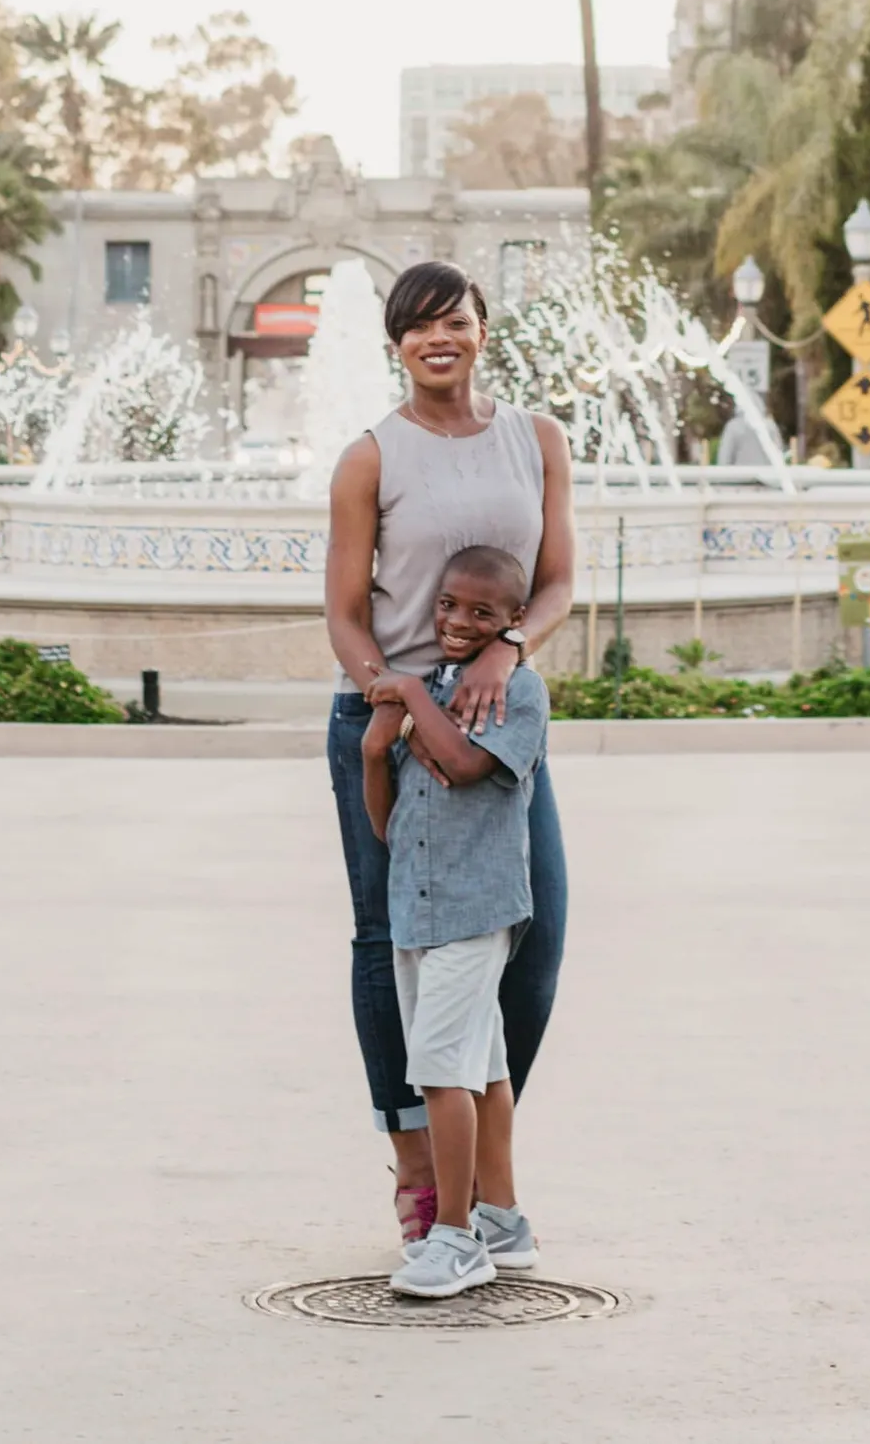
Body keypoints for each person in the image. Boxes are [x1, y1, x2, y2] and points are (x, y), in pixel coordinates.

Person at [324, 259, 574, 1251]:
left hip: (499, 725)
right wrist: (396, 696)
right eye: (417, 326)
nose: (439, 338)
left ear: (481, 329)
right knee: (392, 948)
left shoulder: (537, 439)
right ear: (395, 345)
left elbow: (556, 582)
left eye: (455, 321)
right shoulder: (369, 458)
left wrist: (508, 650)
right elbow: (346, 617)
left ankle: (485, 1165)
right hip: (388, 727)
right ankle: (423, 1165)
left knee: (536, 934)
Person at [363, 544, 550, 1298]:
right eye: (448, 604)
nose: (458, 621)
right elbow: (388, 823)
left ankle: (456, 1236)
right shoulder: (433, 690)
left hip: (474, 911)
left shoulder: (519, 691)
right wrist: (378, 750)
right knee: (485, 1065)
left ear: (512, 623)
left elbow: (471, 768)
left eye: (482, 612)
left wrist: (406, 691)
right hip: (417, 907)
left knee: (440, 1069)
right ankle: (505, 1221)